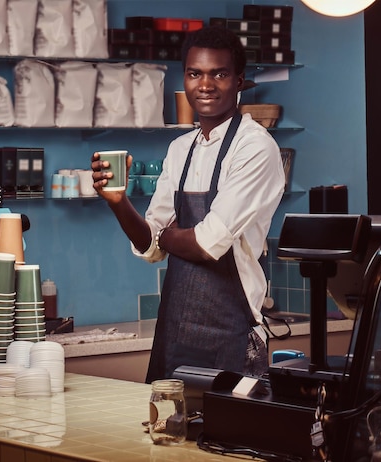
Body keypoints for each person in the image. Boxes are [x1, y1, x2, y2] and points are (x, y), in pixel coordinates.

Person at [91, 26, 285, 383]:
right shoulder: (180, 149)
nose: (205, 85)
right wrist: (117, 203)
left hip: (231, 334)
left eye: (219, 74)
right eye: (195, 74)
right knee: (166, 435)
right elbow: (149, 245)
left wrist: (166, 237)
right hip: (176, 332)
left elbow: (207, 245)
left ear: (239, 81)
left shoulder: (255, 148)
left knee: (227, 436)